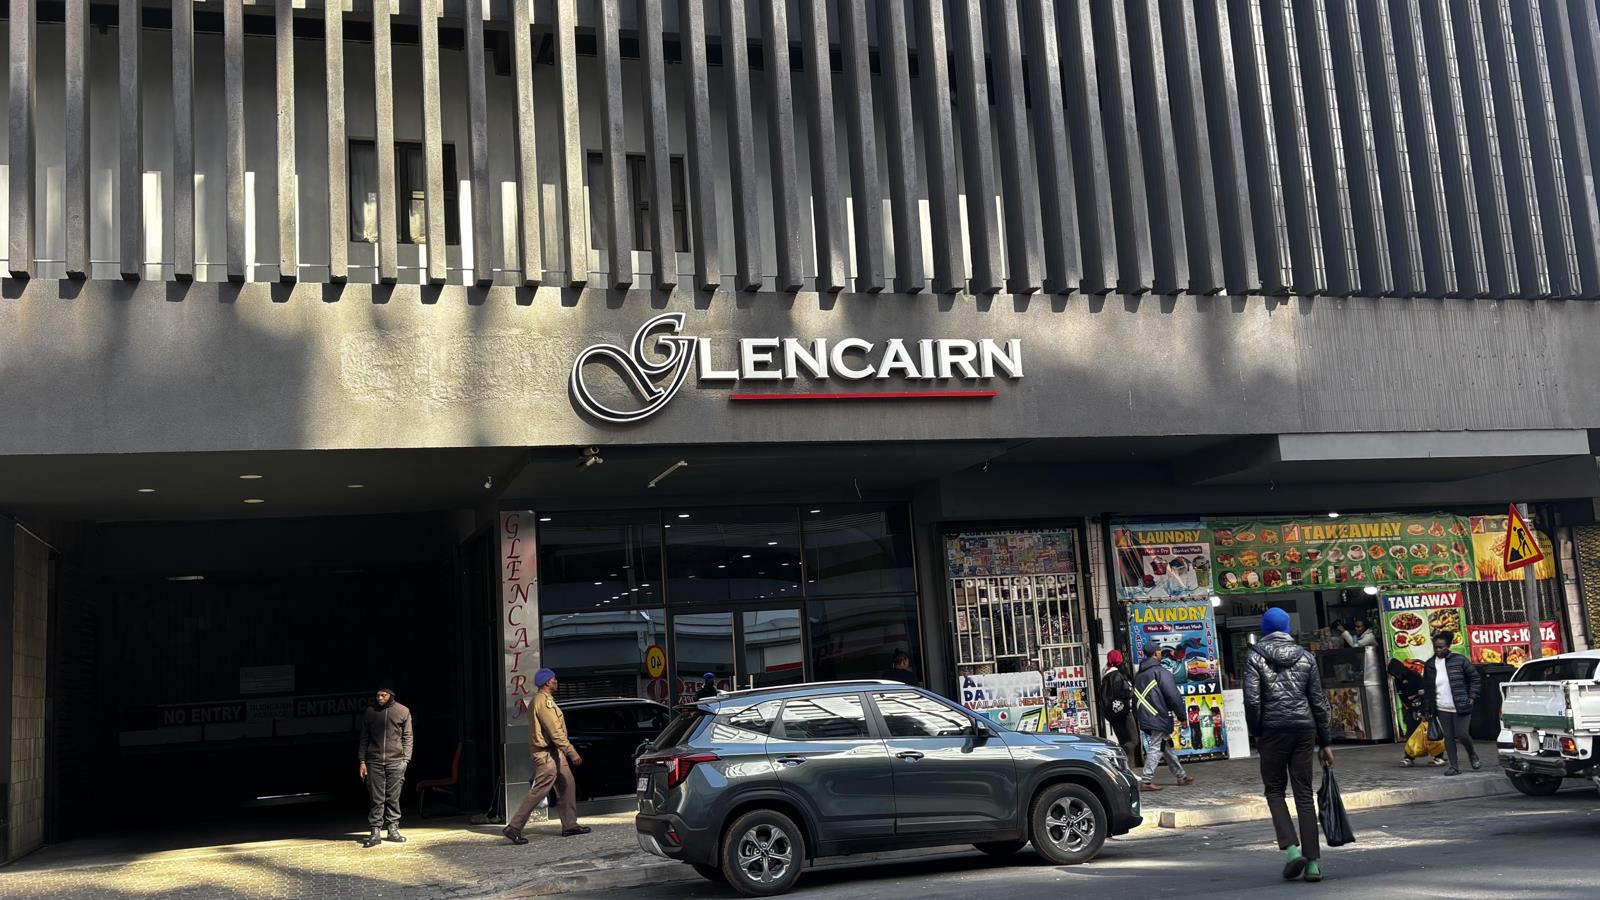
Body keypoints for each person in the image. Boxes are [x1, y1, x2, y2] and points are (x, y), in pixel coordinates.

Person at [1244, 607, 1334, 884]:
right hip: (1304, 729)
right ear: (1287, 628)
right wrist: (1325, 742)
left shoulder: (1254, 656)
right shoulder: (1306, 657)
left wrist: (1256, 732)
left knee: (1274, 790)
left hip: (1272, 730)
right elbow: (1318, 701)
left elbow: (1252, 701)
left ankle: (1292, 850)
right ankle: (1313, 864)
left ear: (1263, 628)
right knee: (1304, 793)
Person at [503, 668, 588, 844]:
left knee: (567, 784)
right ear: (547, 682)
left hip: (555, 752)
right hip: (546, 754)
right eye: (554, 679)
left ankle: (570, 825)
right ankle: (514, 827)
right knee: (539, 790)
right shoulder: (543, 702)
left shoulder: (545, 700)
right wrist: (571, 752)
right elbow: (555, 731)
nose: (556, 682)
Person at [357, 684, 413, 849]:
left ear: (391, 695)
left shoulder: (402, 711)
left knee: (393, 797)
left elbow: (408, 736)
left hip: (396, 761)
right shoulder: (370, 712)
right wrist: (362, 761)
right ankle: (375, 832)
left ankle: (393, 829)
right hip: (374, 761)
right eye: (378, 695)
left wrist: (406, 759)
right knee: (376, 798)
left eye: (383, 695)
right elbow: (364, 737)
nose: (379, 698)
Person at [1133, 641, 1194, 791]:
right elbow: (1173, 696)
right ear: (1156, 653)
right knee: (1156, 747)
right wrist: (1182, 717)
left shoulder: (1139, 675)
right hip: (1158, 716)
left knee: (1165, 746)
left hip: (1146, 716)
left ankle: (1181, 776)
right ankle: (1147, 780)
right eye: (1160, 651)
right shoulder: (1161, 672)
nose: (1161, 653)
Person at [1423, 632, 1482, 776]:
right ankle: (1454, 767)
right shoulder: (1429, 664)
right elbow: (1428, 688)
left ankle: (1472, 754)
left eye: (1441, 647)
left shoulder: (1460, 660)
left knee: (1462, 734)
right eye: (1436, 647)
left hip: (1461, 704)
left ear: (1448, 646)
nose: (1438, 650)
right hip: (1441, 707)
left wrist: (1472, 696)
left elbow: (1475, 679)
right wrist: (1427, 708)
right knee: (1448, 737)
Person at [1388, 658, 1445, 767]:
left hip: (1425, 707)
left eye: (1397, 674)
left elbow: (1424, 695)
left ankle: (1439, 757)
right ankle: (1408, 757)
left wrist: (1423, 711)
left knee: (1432, 732)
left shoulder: (1414, 675)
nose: (1396, 676)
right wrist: (1412, 710)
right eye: (1394, 675)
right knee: (1410, 733)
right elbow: (1402, 696)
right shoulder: (1397, 680)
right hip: (1411, 709)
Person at [1098, 649, 1138, 764]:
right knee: (1133, 741)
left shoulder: (1106, 676)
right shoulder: (1116, 675)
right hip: (1124, 712)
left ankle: (1122, 766)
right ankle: (1126, 767)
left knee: (1123, 741)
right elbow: (1124, 692)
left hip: (1114, 714)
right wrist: (1131, 690)